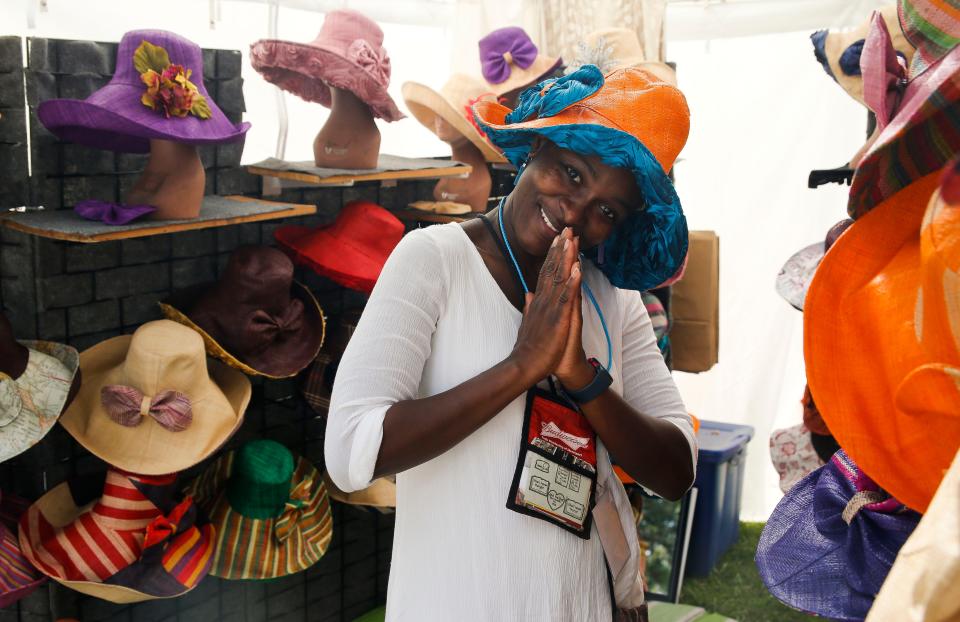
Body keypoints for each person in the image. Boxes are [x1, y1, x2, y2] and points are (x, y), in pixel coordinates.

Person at [326, 65, 698, 621]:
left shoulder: (609, 298)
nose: (575, 210)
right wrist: (523, 365)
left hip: (577, 604)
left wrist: (583, 380)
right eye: (571, 173)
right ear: (535, 148)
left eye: (606, 210)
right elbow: (352, 454)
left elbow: (675, 470)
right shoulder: (435, 261)